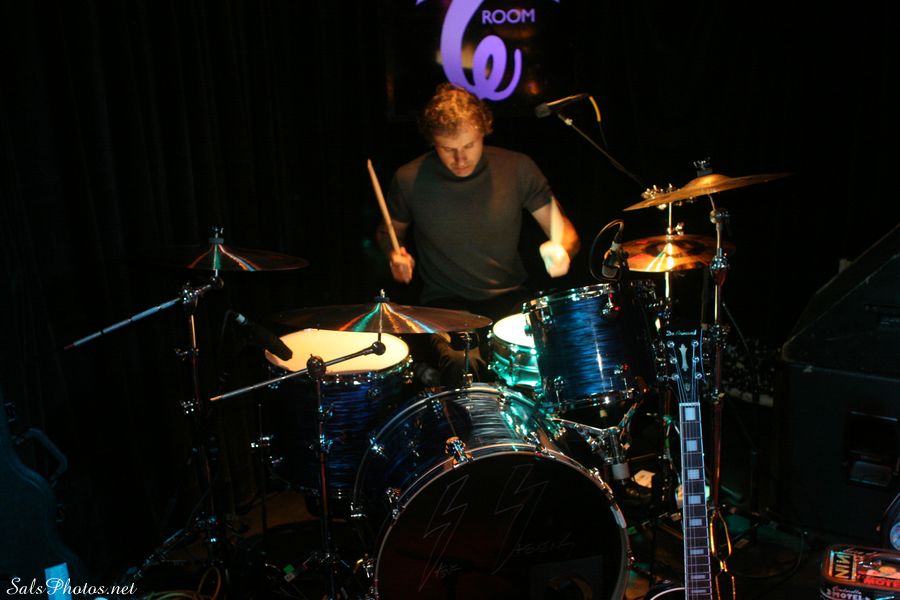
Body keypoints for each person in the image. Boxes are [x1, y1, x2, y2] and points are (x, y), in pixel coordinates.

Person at [376, 82, 580, 387]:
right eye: (448, 149)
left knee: (548, 361)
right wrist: (394, 254)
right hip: (445, 305)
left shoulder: (518, 168)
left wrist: (562, 250)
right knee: (463, 365)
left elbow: (565, 231)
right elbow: (388, 231)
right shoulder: (408, 178)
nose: (461, 159)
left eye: (469, 145)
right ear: (433, 141)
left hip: (510, 299)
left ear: (484, 131)